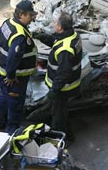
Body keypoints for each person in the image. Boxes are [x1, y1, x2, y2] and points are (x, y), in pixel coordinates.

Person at [32, 11, 82, 141]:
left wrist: (54, 90)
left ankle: (57, 140)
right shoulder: (72, 35)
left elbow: (64, 73)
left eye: (54, 22)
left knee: (57, 115)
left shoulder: (65, 49)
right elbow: (56, 41)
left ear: (60, 27)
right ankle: (69, 134)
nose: (52, 24)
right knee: (62, 110)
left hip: (63, 88)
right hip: (71, 84)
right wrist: (42, 37)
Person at [0, 0, 38, 135]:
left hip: (1, 69)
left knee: (4, 96)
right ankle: (12, 130)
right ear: (21, 15)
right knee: (15, 102)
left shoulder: (8, 23)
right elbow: (14, 57)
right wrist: (11, 76)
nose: (32, 18)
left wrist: (0, 53)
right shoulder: (19, 36)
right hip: (15, 77)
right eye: (30, 16)